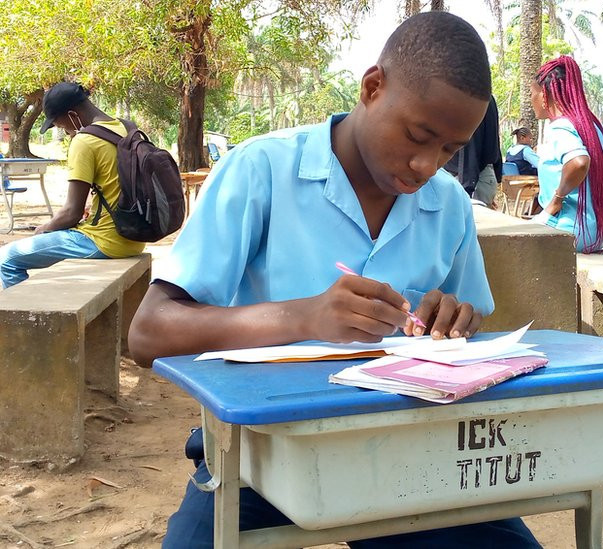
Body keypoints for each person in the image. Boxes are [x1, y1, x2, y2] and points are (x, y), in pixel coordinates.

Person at [127, 12, 540, 548]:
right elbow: (149, 333)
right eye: (418, 135)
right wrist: (306, 317)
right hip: (265, 448)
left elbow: (472, 318)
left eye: (449, 150)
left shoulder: (448, 205)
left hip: (411, 448)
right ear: (372, 87)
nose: (424, 165)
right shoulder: (262, 171)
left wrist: (456, 319)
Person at [0, 82, 145, 288]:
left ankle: (25, 318)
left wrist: (43, 228)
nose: (65, 131)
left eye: (60, 125)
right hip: (135, 238)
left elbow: (71, 213)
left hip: (105, 241)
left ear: (72, 115)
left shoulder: (85, 141)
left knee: (6, 259)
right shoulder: (127, 128)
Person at [530, 55, 603, 253]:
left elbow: (578, 162)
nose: (531, 101)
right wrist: (597, 187)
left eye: (532, 94)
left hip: (565, 230)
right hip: (596, 234)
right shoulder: (591, 126)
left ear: (544, 96)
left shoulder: (559, 127)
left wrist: (556, 201)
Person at [443, 95, 502, 206]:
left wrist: (466, 189)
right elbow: (494, 139)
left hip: (470, 179)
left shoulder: (469, 96)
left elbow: (470, 146)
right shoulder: (487, 97)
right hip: (478, 177)